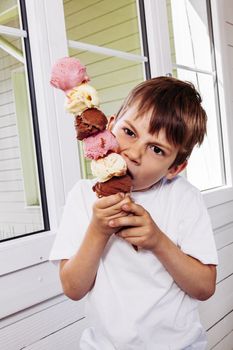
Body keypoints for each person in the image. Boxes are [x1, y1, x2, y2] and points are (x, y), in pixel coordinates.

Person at [49, 77, 218, 350]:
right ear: (110, 125)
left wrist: (157, 241)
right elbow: (73, 288)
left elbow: (204, 288)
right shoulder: (82, 196)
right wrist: (98, 229)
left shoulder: (184, 197)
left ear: (175, 168)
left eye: (156, 149)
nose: (134, 153)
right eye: (128, 132)